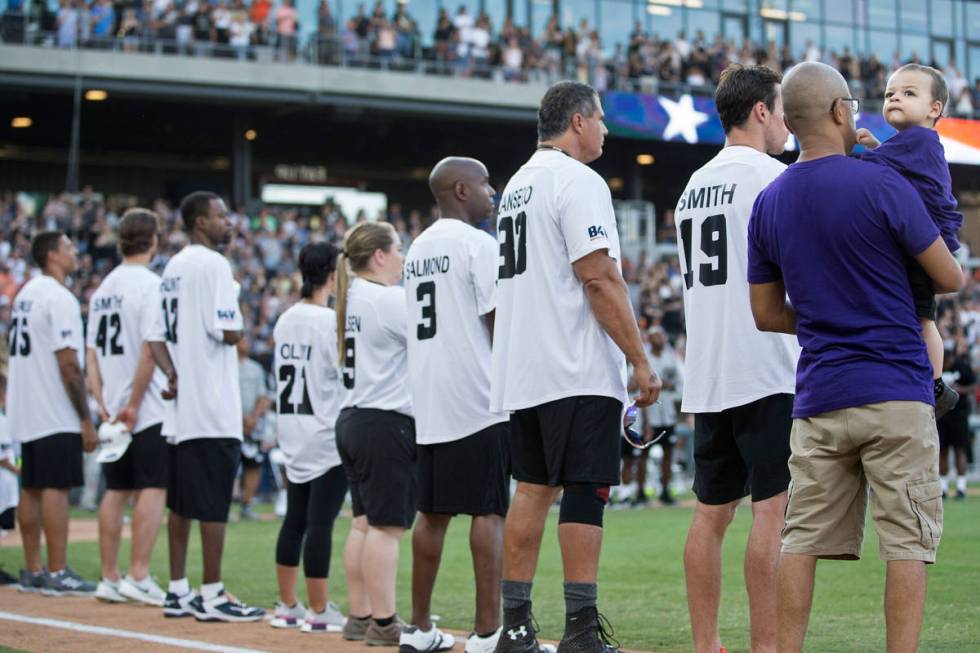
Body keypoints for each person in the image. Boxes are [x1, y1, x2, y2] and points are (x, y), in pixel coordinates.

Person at [747, 61, 962, 653]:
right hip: (894, 387)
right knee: (907, 543)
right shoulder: (884, 182)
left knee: (801, 540)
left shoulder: (768, 201)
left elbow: (766, 313)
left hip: (818, 396)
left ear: (787, 121)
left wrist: (826, 315)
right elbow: (948, 277)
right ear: (842, 112)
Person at [490, 80, 660, 653]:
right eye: (603, 119)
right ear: (580, 122)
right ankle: (582, 630)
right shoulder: (578, 180)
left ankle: (515, 625)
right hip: (575, 363)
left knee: (531, 490)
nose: (608, 130)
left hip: (524, 365)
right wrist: (640, 361)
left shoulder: (515, 184)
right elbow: (598, 277)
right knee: (586, 491)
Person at [674, 64, 799, 653]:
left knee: (710, 514)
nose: (786, 123)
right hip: (767, 362)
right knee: (772, 512)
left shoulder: (689, 188)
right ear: (760, 111)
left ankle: (706, 645)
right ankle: (765, 647)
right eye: (780, 110)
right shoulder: (774, 177)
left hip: (709, 367)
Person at [400, 157, 509, 653]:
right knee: (487, 512)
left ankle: (419, 627)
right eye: (485, 183)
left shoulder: (417, 248)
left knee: (432, 513)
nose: (492, 192)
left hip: (430, 396)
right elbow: (497, 325)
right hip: (477, 396)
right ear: (461, 190)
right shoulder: (478, 244)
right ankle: (488, 631)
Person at [152, 191, 264, 622]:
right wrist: (235, 298)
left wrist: (173, 374)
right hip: (214, 405)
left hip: (181, 411)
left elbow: (155, 337)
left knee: (180, 504)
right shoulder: (215, 264)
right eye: (220, 215)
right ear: (201, 222)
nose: (229, 221)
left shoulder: (173, 266)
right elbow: (230, 332)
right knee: (215, 502)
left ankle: (178, 589)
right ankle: (213, 593)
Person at [857, 63, 964, 418]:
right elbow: (890, 167)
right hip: (921, 242)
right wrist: (875, 146)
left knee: (923, 318)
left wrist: (854, 149)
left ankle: (934, 384)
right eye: (890, 94)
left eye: (908, 93)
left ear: (935, 109)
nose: (895, 98)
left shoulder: (919, 140)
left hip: (927, 245)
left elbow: (875, 169)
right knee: (917, 316)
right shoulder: (906, 144)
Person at [85, 208, 171, 606]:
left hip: (111, 403)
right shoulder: (152, 284)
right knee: (152, 487)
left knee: (115, 489)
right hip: (146, 404)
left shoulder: (102, 289)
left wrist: (102, 403)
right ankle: (138, 573)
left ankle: (108, 576)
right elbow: (150, 349)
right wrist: (135, 403)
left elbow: (91, 354)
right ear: (153, 240)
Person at [334, 221, 414, 646]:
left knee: (363, 525)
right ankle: (384, 622)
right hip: (384, 419)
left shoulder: (351, 298)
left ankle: (361, 615)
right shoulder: (386, 299)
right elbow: (428, 344)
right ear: (379, 255)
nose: (403, 256)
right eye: (398, 248)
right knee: (385, 528)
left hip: (352, 417)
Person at [9, 231, 97, 596]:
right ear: (50, 255)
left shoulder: (25, 294)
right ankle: (58, 572)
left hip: (24, 406)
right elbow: (68, 366)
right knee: (55, 488)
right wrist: (85, 417)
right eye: (68, 247)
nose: (74, 252)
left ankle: (33, 569)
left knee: (29, 487)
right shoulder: (59, 297)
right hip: (53, 407)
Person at [269, 242, 351, 633]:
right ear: (333, 275)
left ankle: (288, 606)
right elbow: (343, 376)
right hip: (325, 433)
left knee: (295, 521)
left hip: (293, 431)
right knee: (320, 524)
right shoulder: (328, 320)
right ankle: (319, 609)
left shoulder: (284, 320)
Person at [641, 326, 681, 507]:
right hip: (649, 414)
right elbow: (642, 385)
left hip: (668, 414)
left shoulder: (670, 356)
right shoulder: (644, 357)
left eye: (662, 334)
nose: (661, 338)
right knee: (643, 455)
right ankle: (640, 492)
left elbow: (678, 382)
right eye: (656, 335)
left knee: (668, 454)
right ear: (649, 338)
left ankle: (665, 491)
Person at [237, 335, 273, 522]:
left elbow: (263, 396)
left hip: (252, 426)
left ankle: (247, 504)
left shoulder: (255, 368)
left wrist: (252, 419)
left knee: (253, 466)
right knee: (229, 468)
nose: (246, 343)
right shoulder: (227, 367)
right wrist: (243, 419)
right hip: (233, 424)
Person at [937, 343, 974, 501]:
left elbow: (975, 386)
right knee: (942, 451)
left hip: (959, 415)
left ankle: (961, 487)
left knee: (960, 450)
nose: (946, 364)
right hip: (942, 416)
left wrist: (961, 390)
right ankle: (943, 488)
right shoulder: (936, 365)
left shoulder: (963, 367)